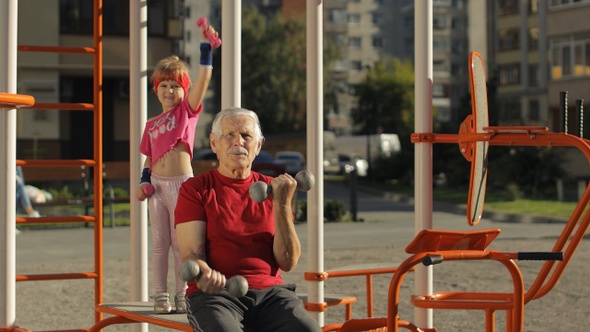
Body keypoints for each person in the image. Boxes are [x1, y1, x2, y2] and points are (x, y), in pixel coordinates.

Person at [174, 107, 321, 332]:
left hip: (271, 294)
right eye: (229, 135)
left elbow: (287, 262)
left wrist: (281, 204)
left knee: (308, 330)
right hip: (216, 296)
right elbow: (191, 254)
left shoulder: (275, 190)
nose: (238, 142)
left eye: (246, 136)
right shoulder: (196, 189)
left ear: (258, 146)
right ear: (214, 144)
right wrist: (205, 274)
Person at [136, 23, 219, 314]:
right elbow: (148, 157)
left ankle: (182, 293)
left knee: (181, 244)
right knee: (160, 243)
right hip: (157, 186)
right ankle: (161, 295)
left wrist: (206, 47)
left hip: (183, 185)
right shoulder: (150, 124)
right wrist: (143, 180)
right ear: (156, 90)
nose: (169, 90)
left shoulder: (187, 112)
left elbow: (204, 79)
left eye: (176, 85)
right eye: (164, 85)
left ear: (184, 91)